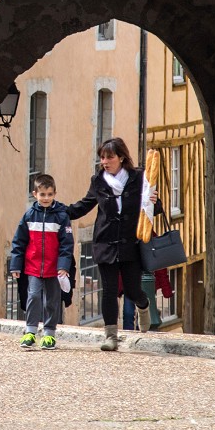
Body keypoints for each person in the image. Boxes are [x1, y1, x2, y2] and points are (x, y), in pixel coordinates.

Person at [66, 137, 161, 351]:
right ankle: (111, 336)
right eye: (102, 157)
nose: (105, 161)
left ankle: (143, 304)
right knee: (108, 290)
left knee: (132, 289)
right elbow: (84, 205)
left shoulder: (139, 178)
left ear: (121, 157)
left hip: (131, 243)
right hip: (106, 242)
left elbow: (154, 206)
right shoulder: (98, 181)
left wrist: (156, 201)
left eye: (109, 157)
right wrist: (58, 210)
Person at [9, 174, 74, 350]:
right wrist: (15, 265)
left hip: (54, 268)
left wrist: (63, 266)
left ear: (55, 194)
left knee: (52, 300)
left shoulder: (61, 217)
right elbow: (19, 241)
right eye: (42, 194)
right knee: (33, 296)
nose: (46, 198)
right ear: (35, 194)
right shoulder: (29, 215)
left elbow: (66, 244)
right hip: (33, 266)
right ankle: (30, 331)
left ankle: (49, 334)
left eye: (50, 194)